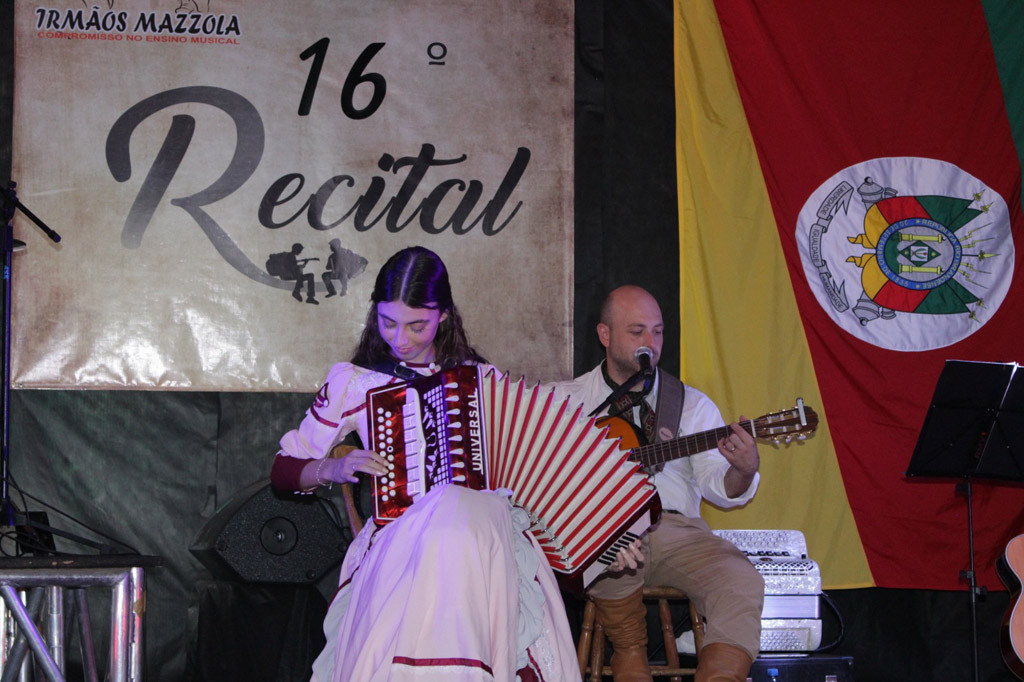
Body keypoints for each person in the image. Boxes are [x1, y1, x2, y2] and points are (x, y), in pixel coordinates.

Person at [269, 246, 583, 682]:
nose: (401, 338)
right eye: (388, 322)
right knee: (453, 521)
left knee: (474, 513)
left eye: (417, 325)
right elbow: (283, 470)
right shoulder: (354, 382)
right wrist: (332, 469)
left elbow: (529, 471)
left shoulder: (481, 380)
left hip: (480, 536)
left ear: (445, 316)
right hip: (403, 535)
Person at [555, 285, 765, 682]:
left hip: (677, 531)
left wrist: (743, 469)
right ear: (605, 335)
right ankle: (629, 651)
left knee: (741, 578)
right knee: (606, 547)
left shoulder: (691, 404)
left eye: (658, 331)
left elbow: (719, 487)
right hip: (604, 530)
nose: (649, 343)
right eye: (637, 331)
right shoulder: (565, 402)